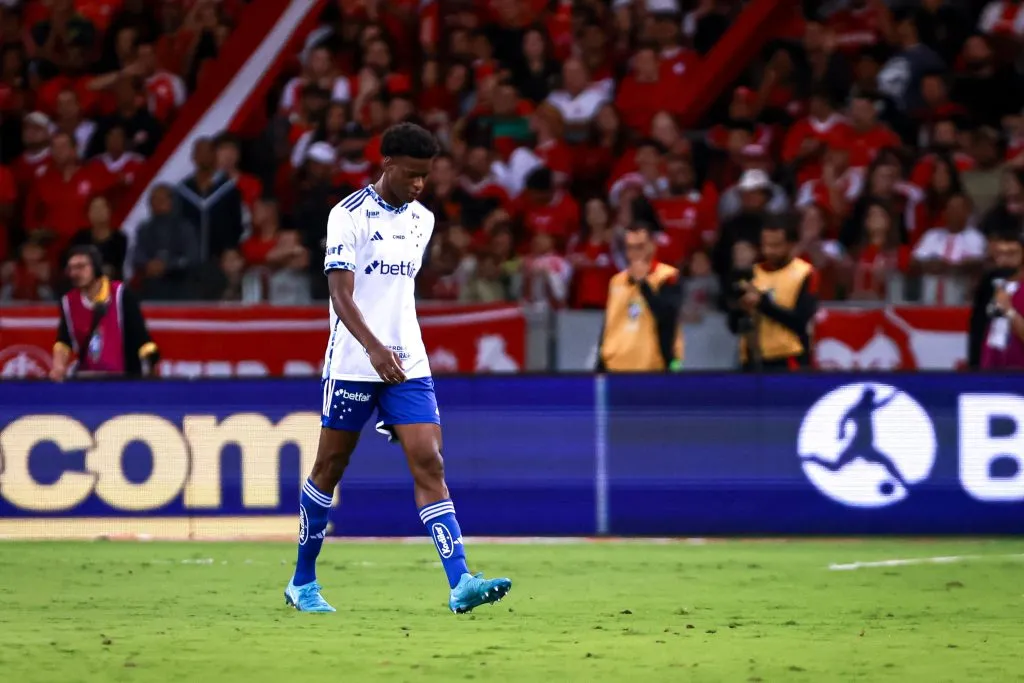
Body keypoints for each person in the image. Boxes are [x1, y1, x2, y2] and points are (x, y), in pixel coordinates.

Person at [284, 123, 511, 614]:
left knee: (430, 460)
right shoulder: (347, 217)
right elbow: (340, 295)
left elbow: (397, 290)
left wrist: (392, 350)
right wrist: (373, 349)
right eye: (411, 174)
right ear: (386, 164)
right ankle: (302, 581)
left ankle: (460, 582)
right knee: (330, 468)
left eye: (425, 177)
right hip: (353, 360)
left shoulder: (422, 220)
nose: (418, 185)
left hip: (408, 359)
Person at [51, 245, 159, 381]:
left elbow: (141, 337)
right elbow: (64, 341)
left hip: (123, 379)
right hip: (86, 380)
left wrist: (150, 366)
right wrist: (58, 366)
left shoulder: (121, 294)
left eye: (81, 267)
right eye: (71, 268)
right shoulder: (68, 302)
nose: (75, 273)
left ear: (96, 266)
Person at [595, 223, 684, 372]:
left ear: (652, 246)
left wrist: (643, 284)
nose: (634, 253)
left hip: (652, 369)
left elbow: (667, 316)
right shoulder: (616, 281)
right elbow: (609, 326)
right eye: (630, 248)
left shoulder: (667, 277)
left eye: (640, 247)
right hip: (615, 369)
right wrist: (600, 365)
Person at [733, 219, 818, 371]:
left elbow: (800, 321)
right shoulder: (751, 273)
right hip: (753, 359)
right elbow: (734, 325)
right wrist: (739, 308)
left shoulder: (805, 273)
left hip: (789, 358)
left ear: (791, 244)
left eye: (776, 245)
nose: (768, 251)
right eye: (765, 245)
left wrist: (763, 304)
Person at [969, 230, 1024, 369]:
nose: (1003, 260)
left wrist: (1009, 311)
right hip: (991, 369)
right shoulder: (990, 284)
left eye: (1011, 254)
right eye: (999, 254)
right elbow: (978, 328)